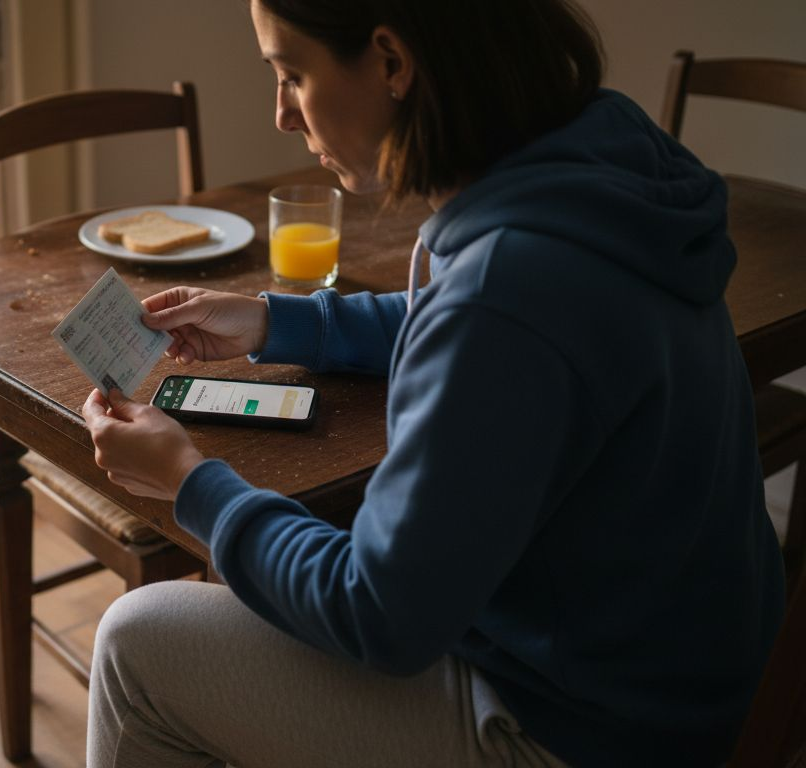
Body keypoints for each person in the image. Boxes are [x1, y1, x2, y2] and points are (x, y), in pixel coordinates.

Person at [79, 1, 786, 766]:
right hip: (683, 675)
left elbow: (376, 613)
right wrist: (274, 323)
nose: (282, 114)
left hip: (583, 732)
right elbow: (465, 316)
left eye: (291, 74)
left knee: (134, 646)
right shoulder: (597, 160)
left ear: (391, 61)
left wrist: (189, 483)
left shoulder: (507, 290)